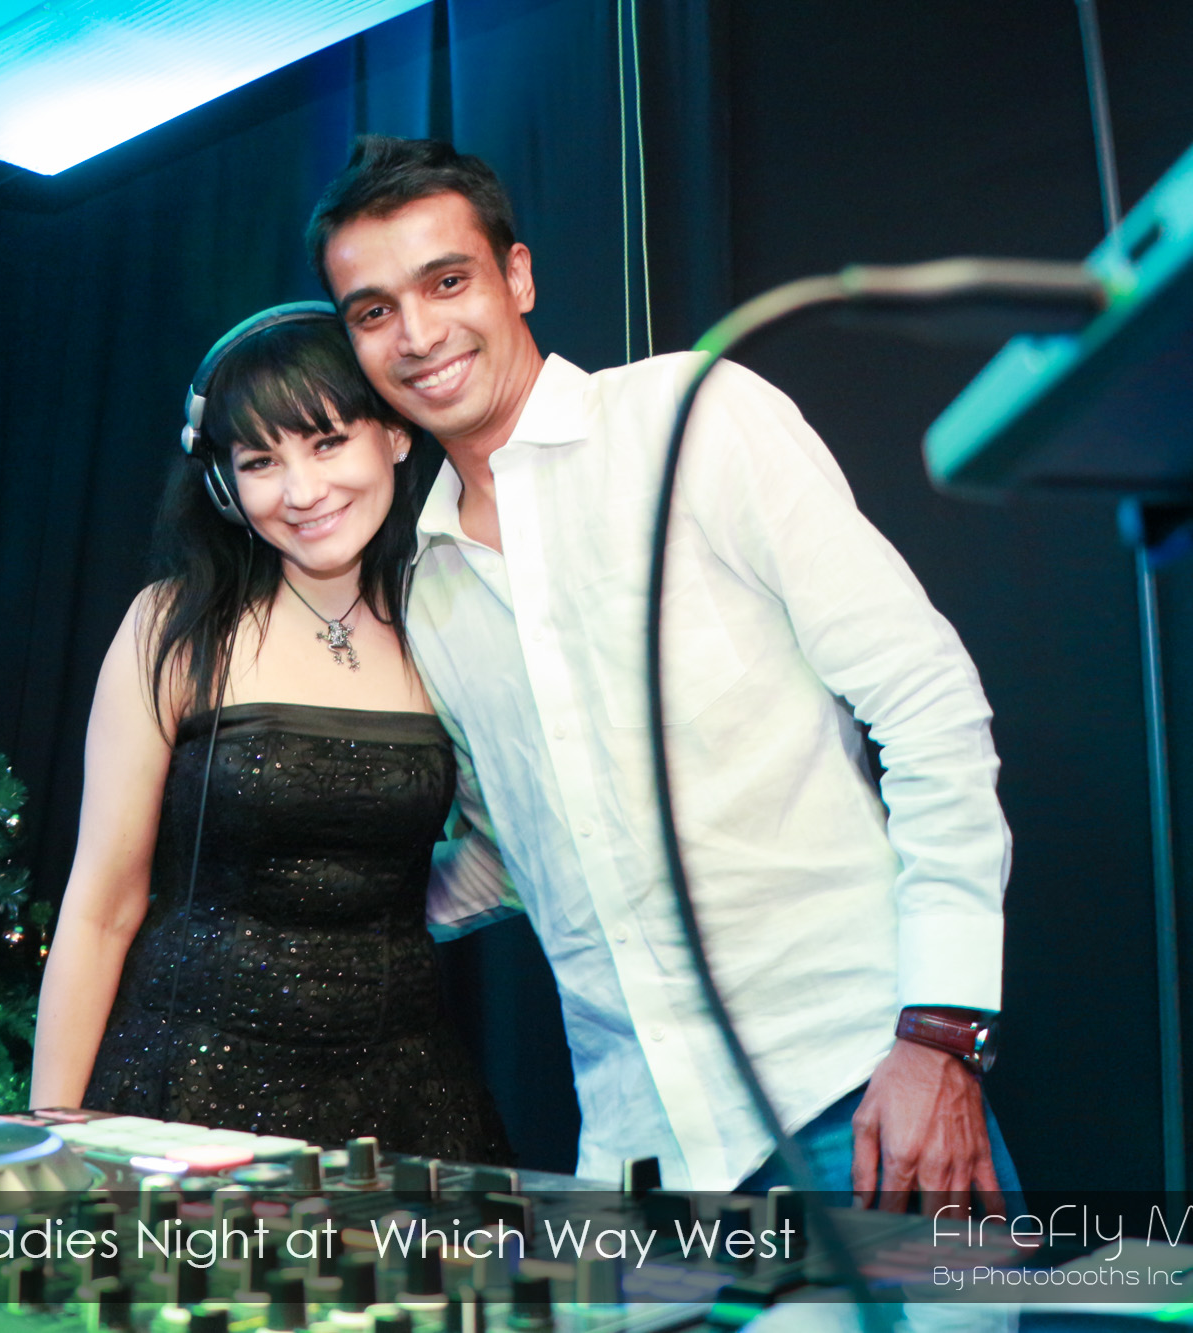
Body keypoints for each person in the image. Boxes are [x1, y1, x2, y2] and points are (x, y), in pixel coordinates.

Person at [306, 137, 1018, 1207]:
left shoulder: (694, 416)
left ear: (517, 276)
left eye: (446, 281)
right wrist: (308, 894)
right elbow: (512, 850)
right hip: (640, 1160)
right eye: (373, 310)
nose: (416, 334)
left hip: (857, 1096)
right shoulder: (424, 588)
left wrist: (941, 1033)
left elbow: (926, 702)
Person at [27, 303, 510, 1162]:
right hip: (190, 1091)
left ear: (396, 434)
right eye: (260, 461)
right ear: (223, 484)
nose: (302, 491)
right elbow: (100, 909)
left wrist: (372, 921)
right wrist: (52, 1133)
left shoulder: (448, 621)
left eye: (328, 442)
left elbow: (516, 841)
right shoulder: (173, 626)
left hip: (406, 1096)